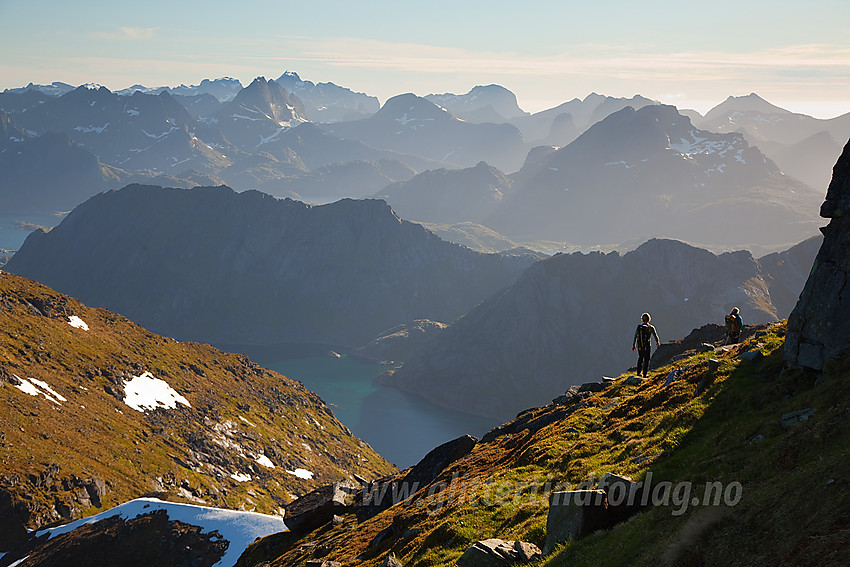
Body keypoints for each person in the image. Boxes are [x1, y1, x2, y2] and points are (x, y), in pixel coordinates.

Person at [632, 312, 660, 378]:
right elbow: (655, 336)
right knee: (646, 359)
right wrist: (657, 342)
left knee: (640, 358)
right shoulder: (651, 327)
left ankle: (638, 373)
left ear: (642, 319)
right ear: (649, 319)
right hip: (647, 346)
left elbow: (635, 336)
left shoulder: (639, 327)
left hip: (640, 345)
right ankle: (644, 374)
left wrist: (634, 345)